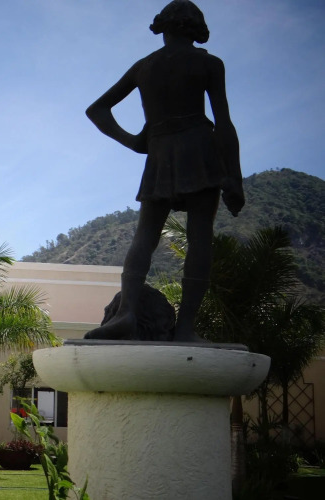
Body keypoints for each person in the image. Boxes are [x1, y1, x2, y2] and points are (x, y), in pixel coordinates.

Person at [84, 0, 244, 342]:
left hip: (160, 150)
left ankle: (126, 313)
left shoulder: (144, 67)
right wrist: (234, 176)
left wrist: (133, 141)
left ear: (164, 27)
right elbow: (224, 124)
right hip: (200, 149)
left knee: (145, 235)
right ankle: (185, 329)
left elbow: (97, 110)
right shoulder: (209, 63)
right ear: (195, 28)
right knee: (200, 237)